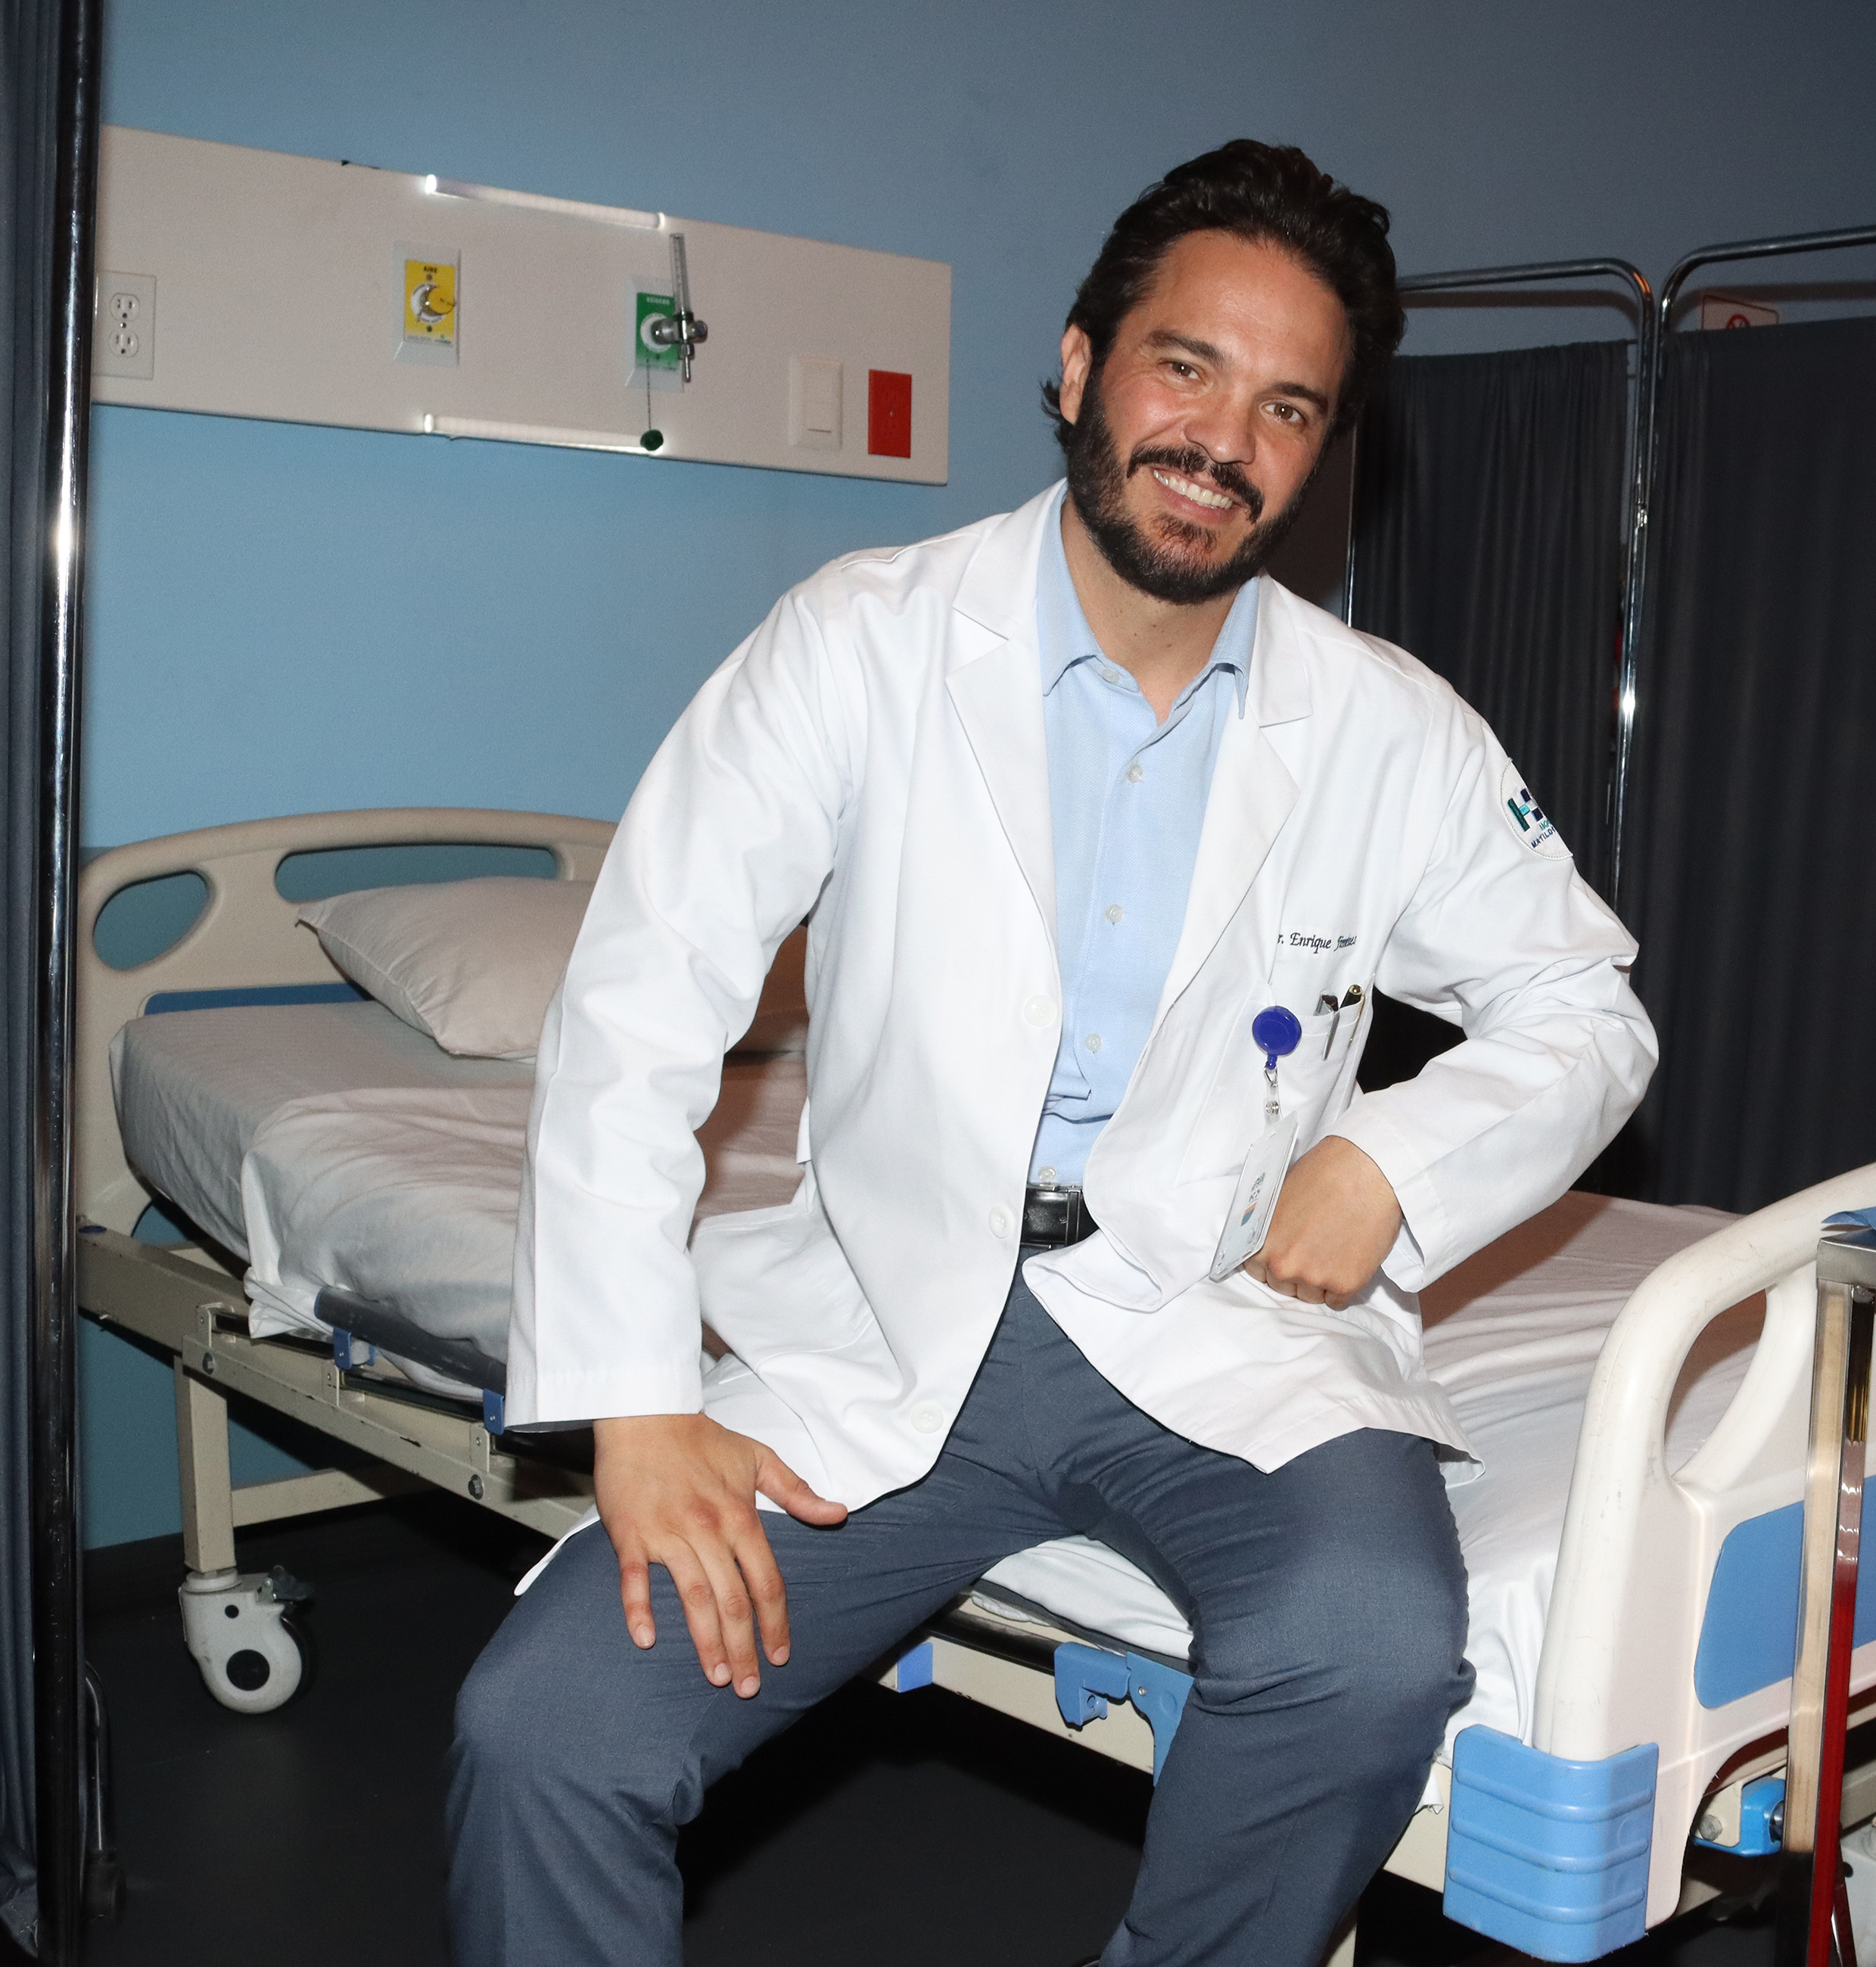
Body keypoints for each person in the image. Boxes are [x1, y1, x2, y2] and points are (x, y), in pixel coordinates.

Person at [443, 141, 1656, 1966]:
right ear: (1080, 366)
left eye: (1286, 406)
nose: (1223, 439)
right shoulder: (861, 644)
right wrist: (635, 1400)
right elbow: (639, 1000)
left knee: (1371, 1643)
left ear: (1321, 451)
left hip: (1216, 1310)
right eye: (1185, 368)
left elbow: (1588, 1007)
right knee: (548, 1735)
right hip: (895, 1311)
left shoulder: (1383, 729)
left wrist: (1399, 1156)